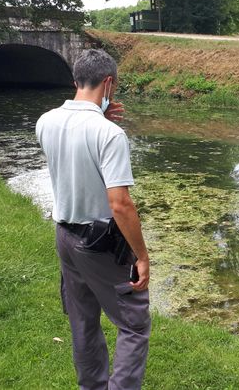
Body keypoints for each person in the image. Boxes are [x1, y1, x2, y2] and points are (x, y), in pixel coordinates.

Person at [36, 49, 151, 390]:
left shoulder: (45, 121)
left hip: (65, 237)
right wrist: (142, 256)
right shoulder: (110, 136)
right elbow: (120, 205)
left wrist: (102, 118)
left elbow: (74, 151)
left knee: (83, 320)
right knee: (133, 324)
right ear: (109, 83)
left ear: (76, 81)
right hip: (99, 244)